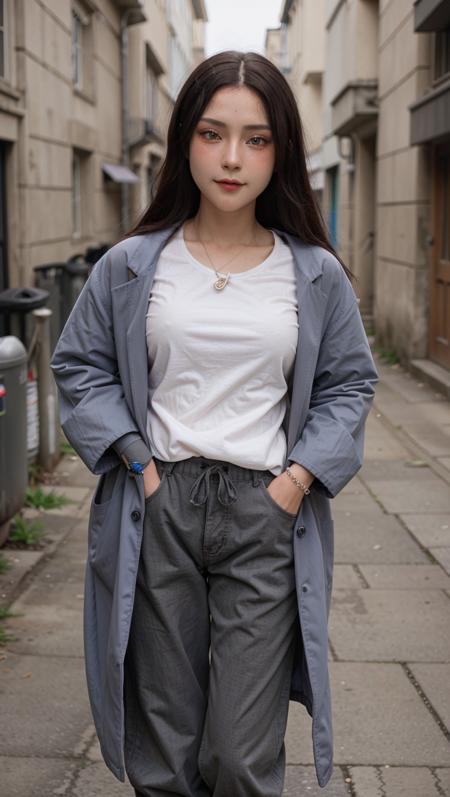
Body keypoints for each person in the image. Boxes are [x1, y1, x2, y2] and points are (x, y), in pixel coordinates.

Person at [50, 50, 379, 797]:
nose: (233, 158)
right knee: (165, 751)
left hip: (265, 513)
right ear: (184, 141)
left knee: (238, 752)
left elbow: (349, 381)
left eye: (257, 138)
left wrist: (296, 481)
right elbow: (80, 365)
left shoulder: (314, 274)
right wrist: (137, 460)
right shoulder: (133, 264)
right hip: (159, 504)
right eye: (212, 133)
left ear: (281, 150)